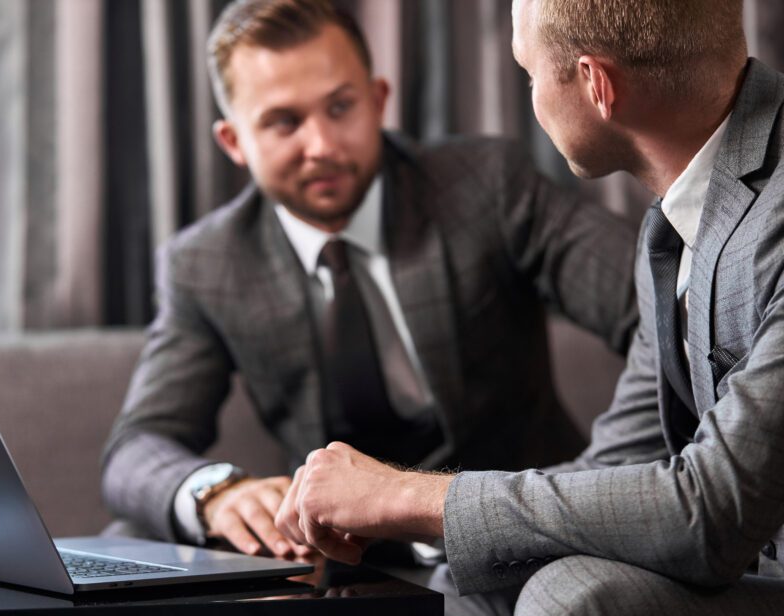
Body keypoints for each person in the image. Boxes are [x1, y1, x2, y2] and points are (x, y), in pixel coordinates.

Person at [277, 0, 784, 616]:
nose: (531, 94)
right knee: (445, 597)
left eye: (528, 72)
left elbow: (710, 511)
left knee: (571, 610)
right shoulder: (675, 223)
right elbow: (615, 466)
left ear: (596, 85)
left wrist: (408, 496)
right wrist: (401, 522)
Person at [101, 0, 637, 568]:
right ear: (234, 142)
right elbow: (136, 447)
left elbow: (655, 304)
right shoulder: (207, 264)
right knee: (128, 537)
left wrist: (610, 470)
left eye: (340, 107)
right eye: (285, 122)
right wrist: (213, 492)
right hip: (338, 566)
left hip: (511, 542)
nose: (323, 146)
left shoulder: (487, 186)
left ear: (378, 100)